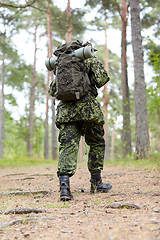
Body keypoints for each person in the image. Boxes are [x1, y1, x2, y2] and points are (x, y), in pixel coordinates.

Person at [54, 41, 112, 201]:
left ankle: (64, 189)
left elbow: (53, 90)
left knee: (67, 146)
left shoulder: (61, 63)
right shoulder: (87, 59)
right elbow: (102, 79)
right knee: (96, 143)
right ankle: (96, 183)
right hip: (88, 110)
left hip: (66, 112)